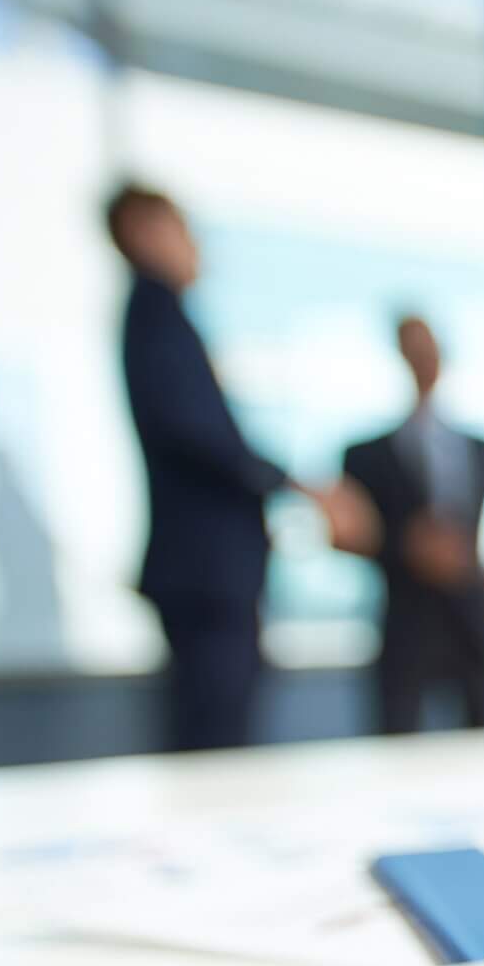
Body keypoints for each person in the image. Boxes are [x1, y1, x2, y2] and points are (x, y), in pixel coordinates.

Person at [107, 182, 371, 750]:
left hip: (206, 569)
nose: (196, 248)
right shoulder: (156, 314)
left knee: (218, 728)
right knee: (214, 737)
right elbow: (202, 436)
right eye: (184, 231)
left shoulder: (156, 317)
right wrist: (301, 485)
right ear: (145, 232)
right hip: (206, 570)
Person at [342, 315, 484, 734]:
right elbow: (348, 534)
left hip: (472, 619)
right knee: (398, 742)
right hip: (405, 621)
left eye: (431, 348)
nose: (424, 359)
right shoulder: (364, 456)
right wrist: (408, 547)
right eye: (414, 349)